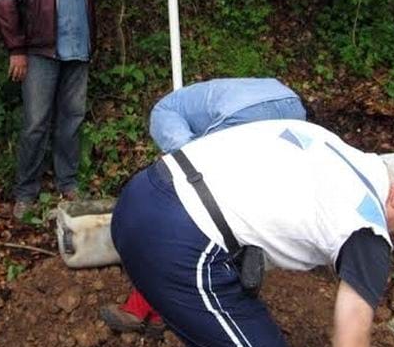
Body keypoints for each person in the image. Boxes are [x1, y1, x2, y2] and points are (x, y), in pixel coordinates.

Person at [111, 119, 394, 347]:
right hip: (178, 240)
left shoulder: (322, 140)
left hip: (139, 196)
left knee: (229, 343)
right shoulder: (366, 223)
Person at [0, 0, 179, 219]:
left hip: (77, 49)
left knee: (72, 120)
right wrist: (16, 49)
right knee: (36, 123)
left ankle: (68, 183)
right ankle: (26, 193)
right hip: (39, 50)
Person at [101, 77, 307, 332]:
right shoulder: (202, 101)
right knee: (245, 204)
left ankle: (143, 308)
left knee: (185, 213)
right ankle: (182, 303)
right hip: (292, 104)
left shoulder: (162, 114)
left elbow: (188, 157)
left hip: (242, 111)